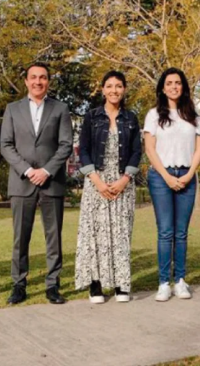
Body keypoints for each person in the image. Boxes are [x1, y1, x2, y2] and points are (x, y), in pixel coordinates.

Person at [0, 63, 73, 305]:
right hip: (22, 182)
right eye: (33, 77)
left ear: (48, 82)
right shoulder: (12, 109)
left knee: (53, 237)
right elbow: (6, 145)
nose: (38, 82)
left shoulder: (60, 109)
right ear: (26, 81)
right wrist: (29, 171)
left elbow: (65, 145)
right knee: (20, 237)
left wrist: (46, 171)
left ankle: (53, 285)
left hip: (51, 182)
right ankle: (18, 284)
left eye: (42, 78)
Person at [75, 70, 142, 304]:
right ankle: (96, 285)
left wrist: (125, 180)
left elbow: (136, 151)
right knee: (95, 235)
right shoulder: (92, 116)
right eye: (110, 86)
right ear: (102, 89)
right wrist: (97, 181)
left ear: (124, 89)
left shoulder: (130, 118)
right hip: (97, 181)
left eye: (119, 86)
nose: (114, 90)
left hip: (123, 181)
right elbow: (82, 150)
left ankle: (121, 284)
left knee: (121, 234)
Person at [144, 67, 200, 302]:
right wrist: (167, 176)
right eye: (169, 83)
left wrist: (190, 173)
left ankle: (180, 280)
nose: (173, 86)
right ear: (162, 87)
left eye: (177, 83)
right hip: (162, 177)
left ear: (184, 87)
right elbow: (150, 149)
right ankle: (163, 282)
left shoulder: (194, 116)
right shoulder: (153, 115)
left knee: (181, 233)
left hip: (187, 176)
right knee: (165, 232)